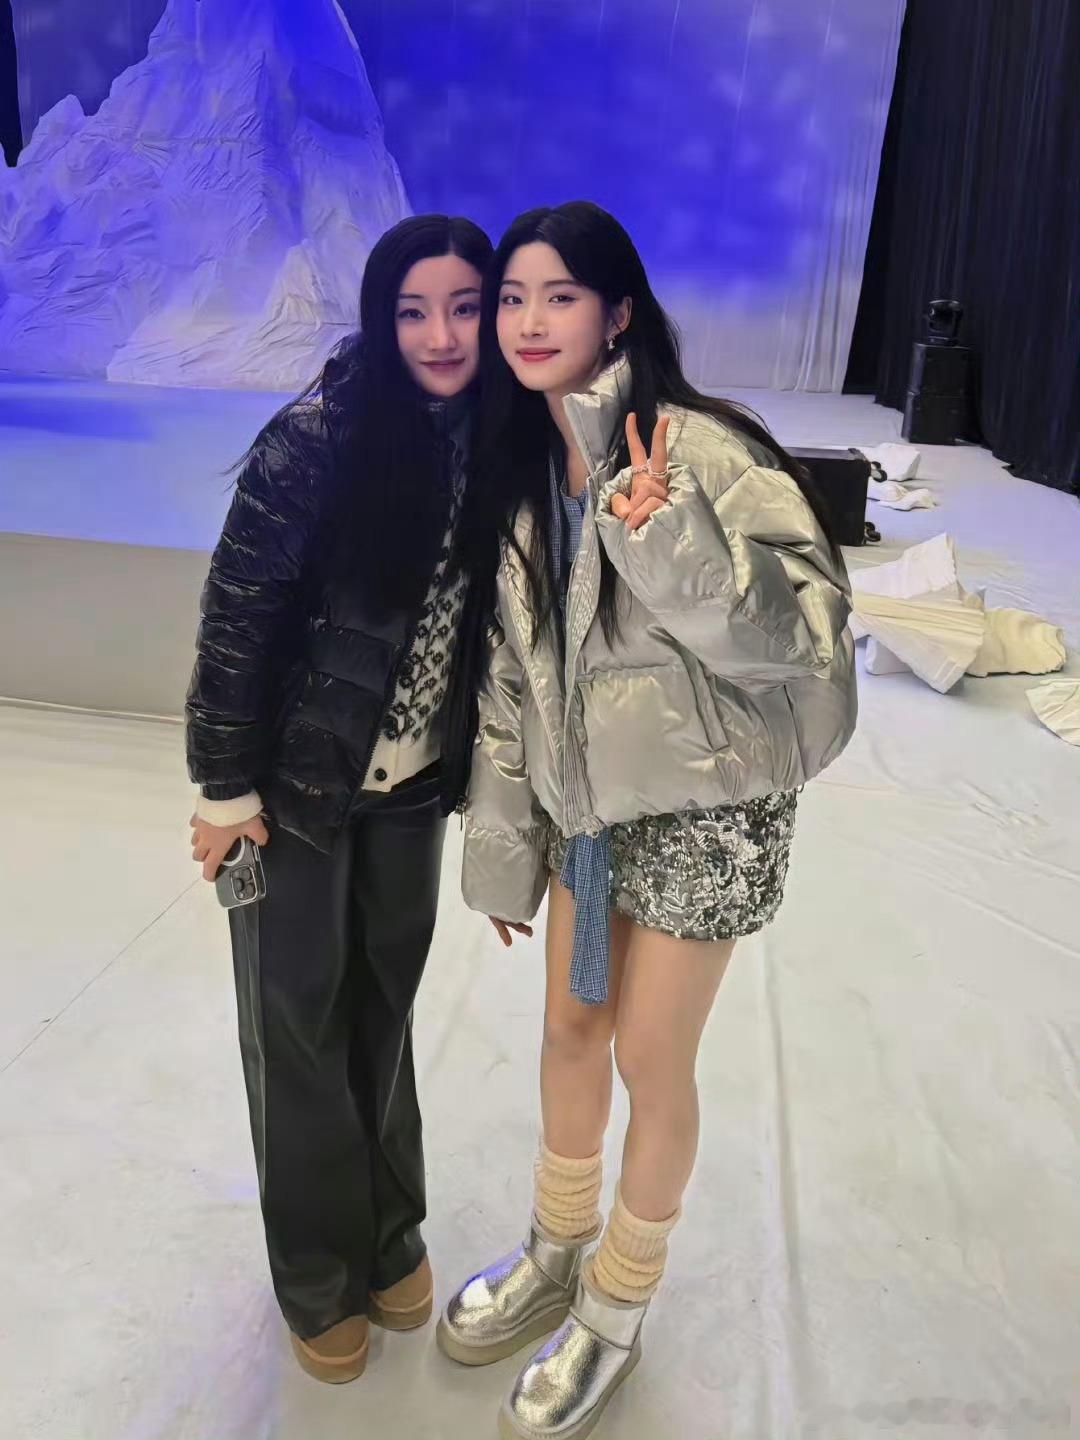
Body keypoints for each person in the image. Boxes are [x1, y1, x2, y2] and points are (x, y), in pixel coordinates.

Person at [438, 201, 857, 1438]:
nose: (528, 321)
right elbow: (512, 682)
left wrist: (669, 540)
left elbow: (806, 643)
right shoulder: (521, 465)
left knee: (648, 1060)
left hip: (709, 804)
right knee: (571, 1029)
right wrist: (505, 848)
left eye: (559, 296)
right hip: (590, 806)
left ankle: (614, 1313)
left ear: (619, 313)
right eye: (513, 298)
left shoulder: (706, 450)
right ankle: (554, 1251)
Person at [185, 214, 492, 1384]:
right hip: (295, 794)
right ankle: (318, 1273)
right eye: (414, 311)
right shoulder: (316, 439)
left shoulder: (496, 441)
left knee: (383, 1012)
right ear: (380, 317)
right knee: (299, 1030)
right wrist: (224, 789)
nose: (442, 335)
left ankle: (389, 1234)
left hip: (410, 794)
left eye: (464, 307)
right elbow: (237, 621)